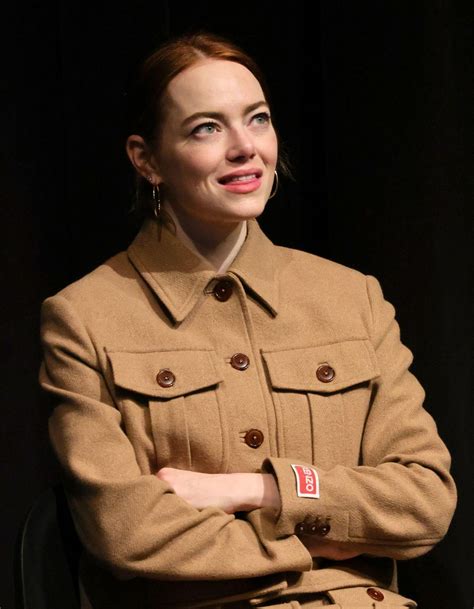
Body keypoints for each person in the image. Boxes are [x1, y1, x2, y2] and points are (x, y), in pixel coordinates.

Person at [38, 30, 457, 609]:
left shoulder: (352, 297)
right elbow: (126, 531)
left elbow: (424, 500)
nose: (245, 148)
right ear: (146, 159)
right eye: (206, 128)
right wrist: (320, 540)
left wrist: (259, 490)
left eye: (258, 119)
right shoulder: (84, 316)